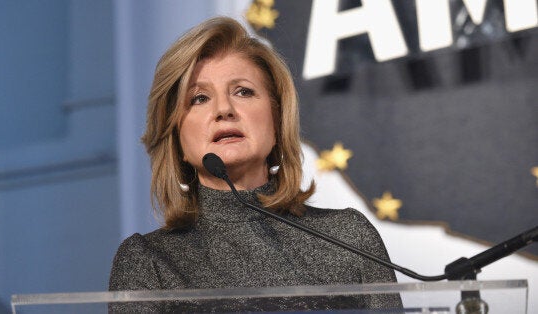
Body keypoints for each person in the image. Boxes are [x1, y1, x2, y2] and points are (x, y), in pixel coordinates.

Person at [108, 16, 401, 312]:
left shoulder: (348, 238)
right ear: (176, 139)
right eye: (199, 98)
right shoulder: (149, 261)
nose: (224, 109)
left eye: (243, 91)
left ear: (277, 120)